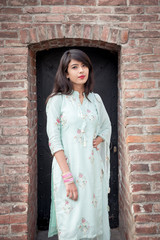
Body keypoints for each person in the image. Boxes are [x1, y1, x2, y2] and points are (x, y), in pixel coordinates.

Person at [46, 49, 111, 240]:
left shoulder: (95, 100)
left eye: (84, 66)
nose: (81, 70)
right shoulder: (56, 101)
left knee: (94, 222)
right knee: (71, 224)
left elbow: (106, 126)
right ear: (66, 72)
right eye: (74, 67)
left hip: (92, 171)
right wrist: (68, 178)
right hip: (69, 171)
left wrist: (99, 139)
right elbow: (54, 141)